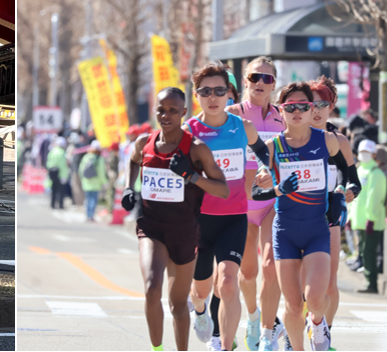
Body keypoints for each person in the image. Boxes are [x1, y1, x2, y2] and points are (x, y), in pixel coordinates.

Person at [121, 87, 229, 351]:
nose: (166, 115)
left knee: (178, 304)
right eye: (161, 110)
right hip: (152, 227)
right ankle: (156, 348)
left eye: (172, 110)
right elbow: (133, 162)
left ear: (183, 112)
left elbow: (222, 189)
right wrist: (128, 187)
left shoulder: (196, 149)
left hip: (184, 231)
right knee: (151, 287)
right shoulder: (144, 143)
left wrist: (191, 176)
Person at [182, 63, 273, 351]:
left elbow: (263, 152)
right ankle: (198, 309)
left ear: (229, 94)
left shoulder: (242, 127)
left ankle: (223, 344)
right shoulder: (189, 131)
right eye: (205, 91)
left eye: (219, 91)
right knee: (201, 290)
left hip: (234, 217)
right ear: (197, 96)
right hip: (198, 221)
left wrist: (264, 170)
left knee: (229, 282)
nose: (213, 97)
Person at [253, 82, 346, 351]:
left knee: (316, 299)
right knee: (293, 306)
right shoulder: (272, 147)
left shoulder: (327, 140)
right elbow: (258, 192)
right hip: (285, 232)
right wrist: (274, 186)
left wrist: (339, 192)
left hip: (317, 228)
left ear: (310, 109)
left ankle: (318, 324)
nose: (297, 111)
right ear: (281, 111)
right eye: (290, 107)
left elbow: (345, 171)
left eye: (303, 106)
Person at [225, 56, 285, 351]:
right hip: (239, 205)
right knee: (247, 274)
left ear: (275, 84)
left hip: (272, 203)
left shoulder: (282, 117)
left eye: (268, 78)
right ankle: (252, 315)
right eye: (254, 77)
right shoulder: (231, 114)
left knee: (271, 266)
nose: (260, 83)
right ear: (245, 80)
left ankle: (267, 333)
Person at [307, 76, 360, 350]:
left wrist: (348, 190)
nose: (316, 110)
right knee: (302, 280)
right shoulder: (294, 136)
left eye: (323, 104)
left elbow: (355, 180)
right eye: (311, 104)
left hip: (331, 212)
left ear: (332, 107)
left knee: (329, 278)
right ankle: (303, 324)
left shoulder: (339, 139)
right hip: (299, 212)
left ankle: (325, 334)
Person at [350, 140, 387, 294]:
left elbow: (375, 198)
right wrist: (350, 216)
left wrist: (371, 218)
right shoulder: (358, 171)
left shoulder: (376, 173)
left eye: (367, 152)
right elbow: (353, 197)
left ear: (373, 154)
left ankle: (372, 284)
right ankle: (369, 281)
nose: (363, 155)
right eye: (361, 152)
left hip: (371, 222)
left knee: (369, 252)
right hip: (359, 221)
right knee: (364, 252)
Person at [79, 140, 108, 222]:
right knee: (93, 200)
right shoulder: (100, 158)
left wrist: (83, 179)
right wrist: (104, 182)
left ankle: (87, 215)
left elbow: (81, 170)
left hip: (86, 182)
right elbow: (101, 173)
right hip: (96, 183)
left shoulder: (86, 157)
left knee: (88, 199)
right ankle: (91, 216)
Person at [46, 137, 69, 209]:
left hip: (52, 173)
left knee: (53, 190)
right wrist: (64, 176)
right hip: (60, 174)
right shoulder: (63, 153)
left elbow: (48, 163)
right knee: (61, 191)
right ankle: (61, 205)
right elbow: (63, 166)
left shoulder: (52, 151)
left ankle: (52, 204)